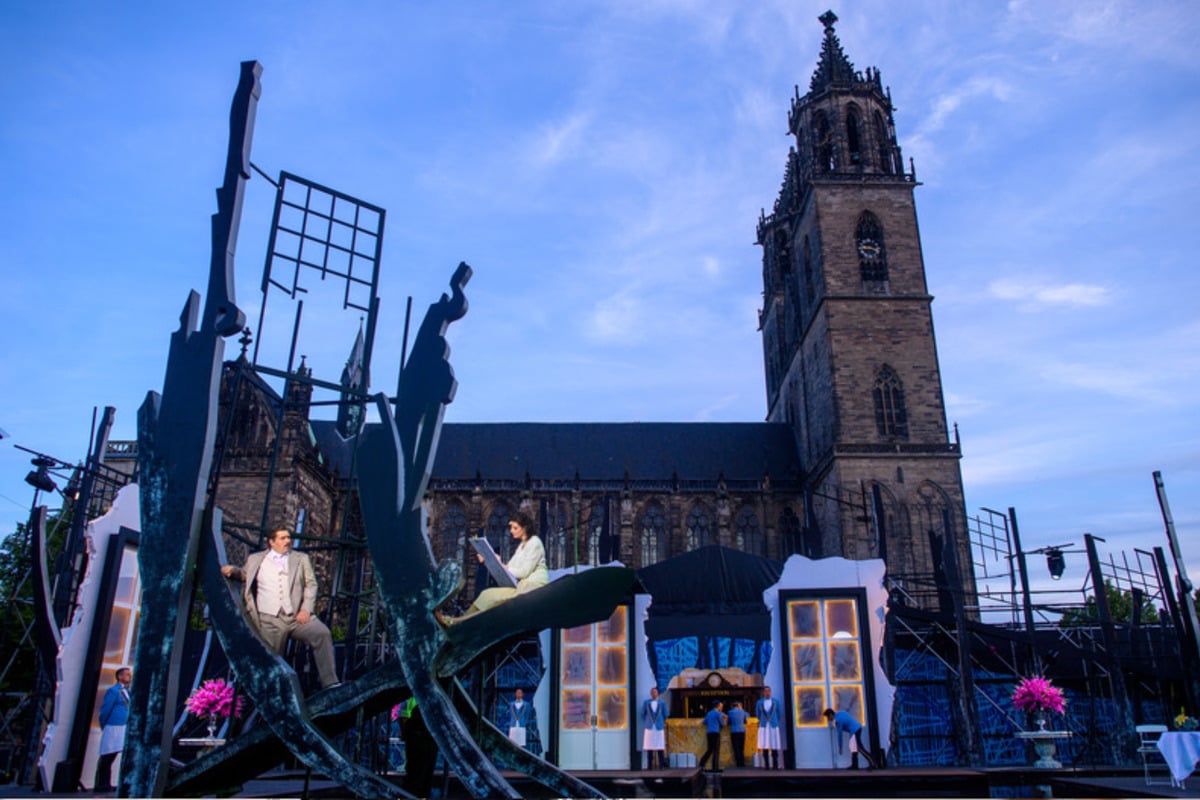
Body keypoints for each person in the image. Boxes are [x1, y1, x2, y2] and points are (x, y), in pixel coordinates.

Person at [221, 527, 339, 688]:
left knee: (322, 633)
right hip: (269, 618)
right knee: (272, 657)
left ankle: (330, 683)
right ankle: (272, 693)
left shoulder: (301, 558)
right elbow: (245, 575)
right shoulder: (256, 559)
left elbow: (311, 584)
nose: (287, 541)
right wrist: (233, 571)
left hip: (296, 616)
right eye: (282, 538)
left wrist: (306, 609)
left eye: (288, 538)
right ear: (272, 542)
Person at [444, 512, 548, 622]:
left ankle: (457, 622)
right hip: (522, 586)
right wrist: (490, 560)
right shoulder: (522, 545)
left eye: (515, 527)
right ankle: (458, 621)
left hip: (533, 587)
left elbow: (523, 572)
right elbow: (509, 568)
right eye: (511, 527)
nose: (511, 530)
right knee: (486, 594)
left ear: (525, 528)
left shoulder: (534, 542)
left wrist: (502, 566)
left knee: (491, 598)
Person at [94, 666, 131, 792]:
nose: (129, 676)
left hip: (123, 726)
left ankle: (110, 783)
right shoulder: (113, 691)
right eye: (126, 674)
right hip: (113, 726)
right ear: (120, 676)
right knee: (108, 756)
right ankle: (101, 784)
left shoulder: (127, 691)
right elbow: (106, 709)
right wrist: (104, 724)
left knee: (116, 755)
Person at [755, 685, 783, 769]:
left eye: (769, 691)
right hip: (764, 726)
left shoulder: (776, 702)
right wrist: (763, 720)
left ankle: (775, 764)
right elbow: (758, 714)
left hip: (773, 725)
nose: (767, 693)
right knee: (764, 745)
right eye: (766, 691)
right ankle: (766, 764)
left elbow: (779, 713)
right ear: (763, 692)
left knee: (774, 744)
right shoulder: (759, 702)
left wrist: (774, 721)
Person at [641, 686, 668, 769]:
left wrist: (660, 721)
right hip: (649, 727)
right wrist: (647, 722)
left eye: (655, 692)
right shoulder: (646, 703)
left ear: (657, 693)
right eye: (652, 692)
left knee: (660, 746)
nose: (653, 694)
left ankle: (661, 764)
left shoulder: (662, 703)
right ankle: (649, 765)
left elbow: (665, 714)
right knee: (649, 747)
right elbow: (643, 713)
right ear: (650, 693)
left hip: (659, 727)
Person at [697, 700, 727, 772]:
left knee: (710, 749)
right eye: (721, 706)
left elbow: (704, 722)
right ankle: (715, 767)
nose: (721, 708)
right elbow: (722, 724)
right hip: (715, 732)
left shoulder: (709, 713)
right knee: (716, 751)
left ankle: (702, 762)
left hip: (709, 732)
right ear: (718, 706)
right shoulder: (718, 714)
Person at [727, 701, 748, 767]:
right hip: (742, 730)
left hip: (734, 731)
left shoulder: (730, 712)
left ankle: (738, 763)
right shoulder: (743, 712)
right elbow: (745, 721)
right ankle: (742, 762)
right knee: (741, 748)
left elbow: (729, 722)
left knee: (736, 748)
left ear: (733, 706)